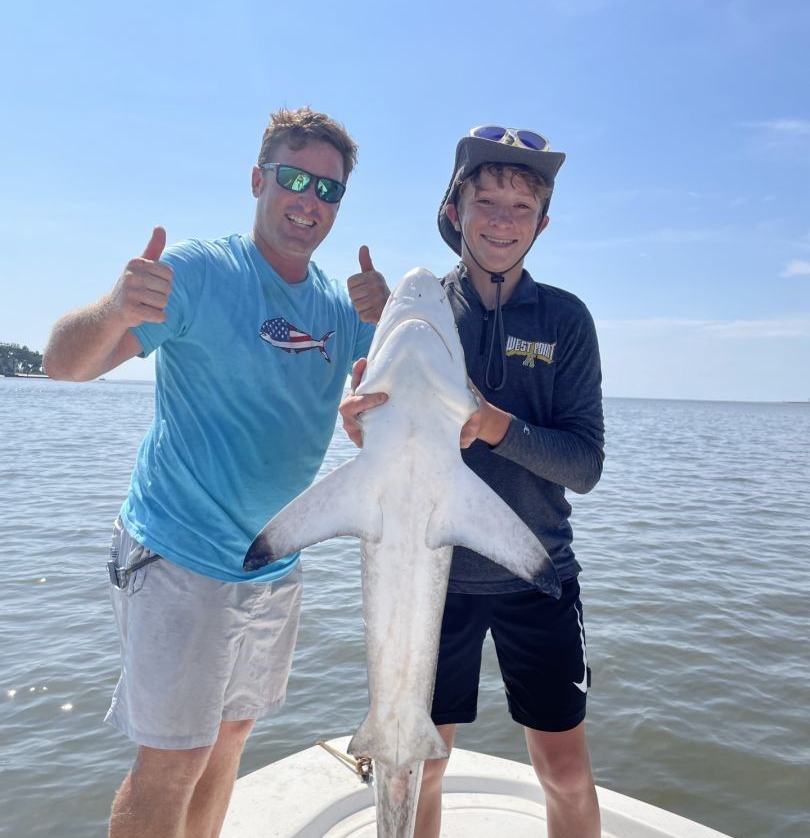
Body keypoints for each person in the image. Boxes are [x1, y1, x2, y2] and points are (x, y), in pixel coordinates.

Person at [43, 107, 389, 838]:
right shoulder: (202, 271)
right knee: (173, 758)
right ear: (258, 179)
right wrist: (112, 308)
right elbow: (63, 366)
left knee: (231, 739)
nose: (309, 200)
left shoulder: (337, 303)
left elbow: (389, 409)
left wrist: (391, 322)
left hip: (273, 563)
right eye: (294, 178)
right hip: (180, 554)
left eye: (328, 190)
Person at [340, 125, 605, 838]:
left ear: (543, 224)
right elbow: (373, 426)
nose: (501, 220)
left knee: (567, 771)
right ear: (454, 208)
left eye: (521, 208)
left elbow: (585, 464)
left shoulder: (566, 321)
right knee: (420, 765)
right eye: (485, 200)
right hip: (436, 584)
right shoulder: (417, 311)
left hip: (537, 575)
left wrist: (497, 426)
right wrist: (360, 424)